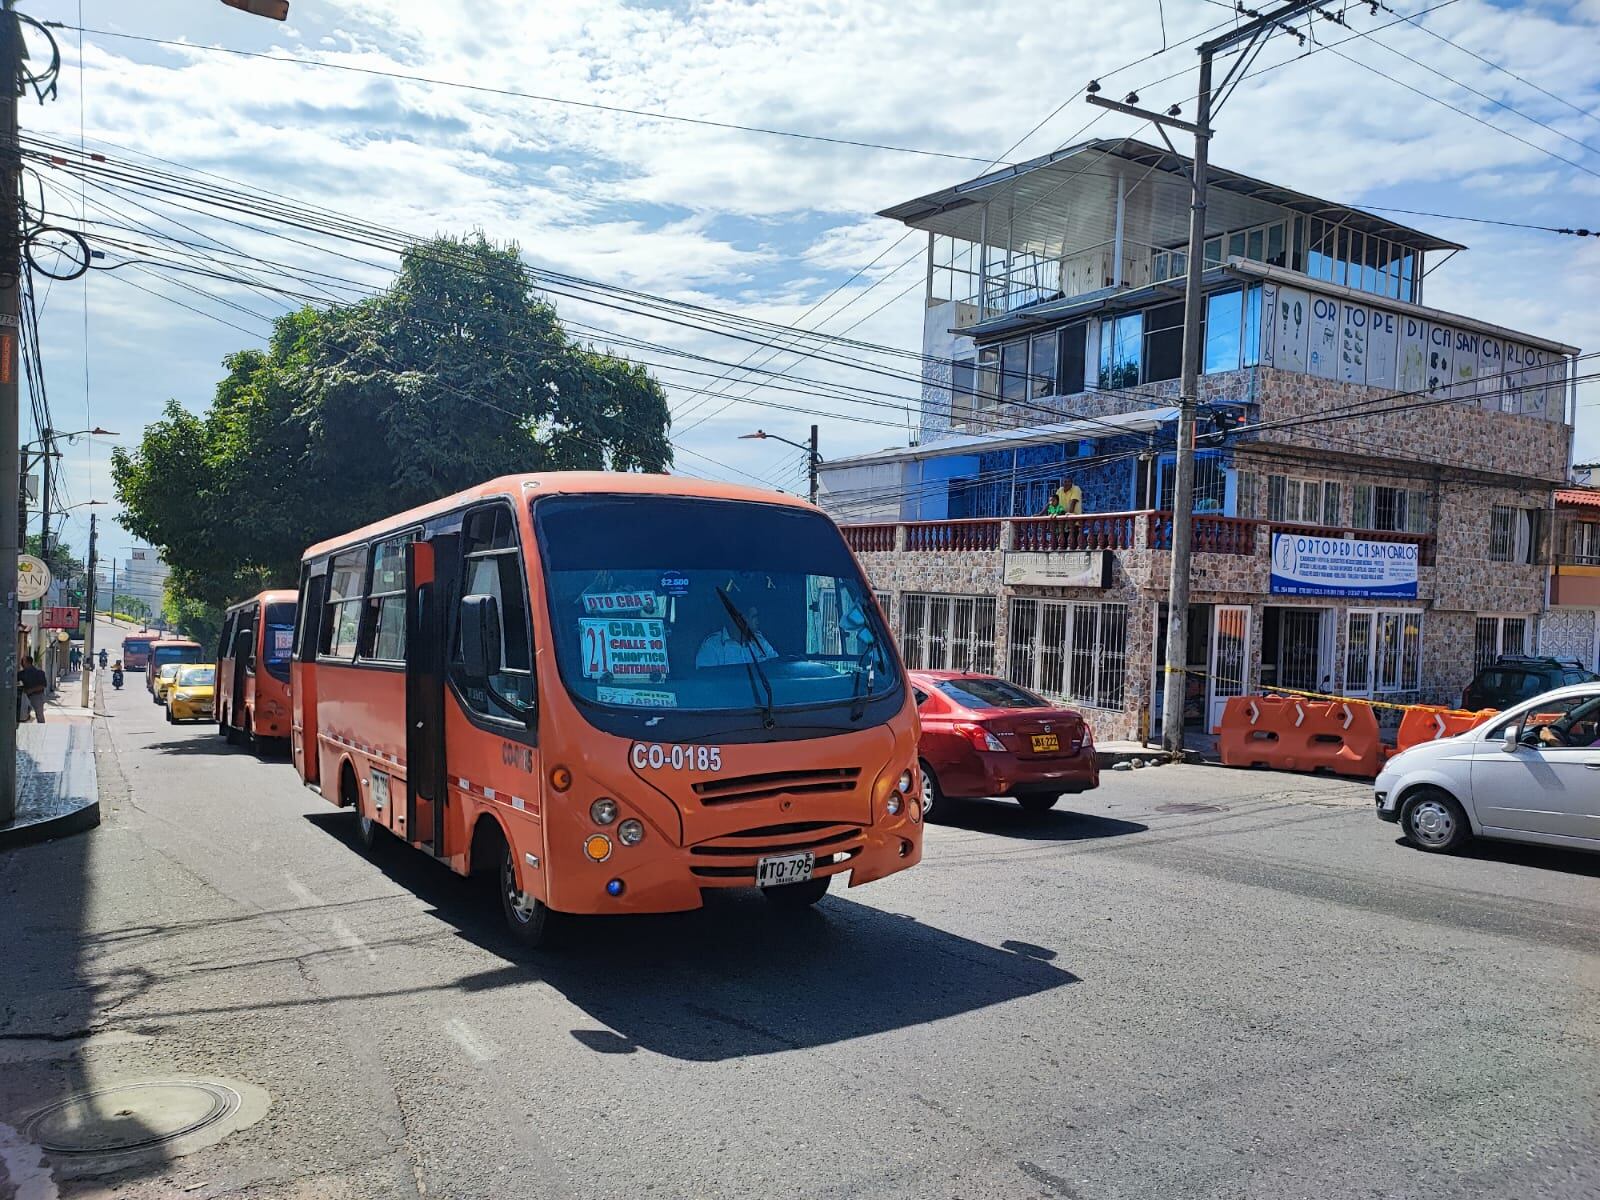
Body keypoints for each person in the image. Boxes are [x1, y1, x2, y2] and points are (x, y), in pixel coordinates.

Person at [695, 604, 777, 668]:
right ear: (741, 619)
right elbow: (703, 680)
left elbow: (776, 668)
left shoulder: (760, 641)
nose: (758, 621)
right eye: (754, 617)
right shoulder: (712, 646)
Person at [18, 656, 48, 724]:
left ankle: (41, 728)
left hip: (37, 696)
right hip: (27, 697)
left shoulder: (38, 672)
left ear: (28, 662)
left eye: (23, 661)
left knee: (39, 716)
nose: (21, 663)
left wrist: (31, 690)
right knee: (24, 714)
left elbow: (43, 685)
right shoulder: (22, 673)